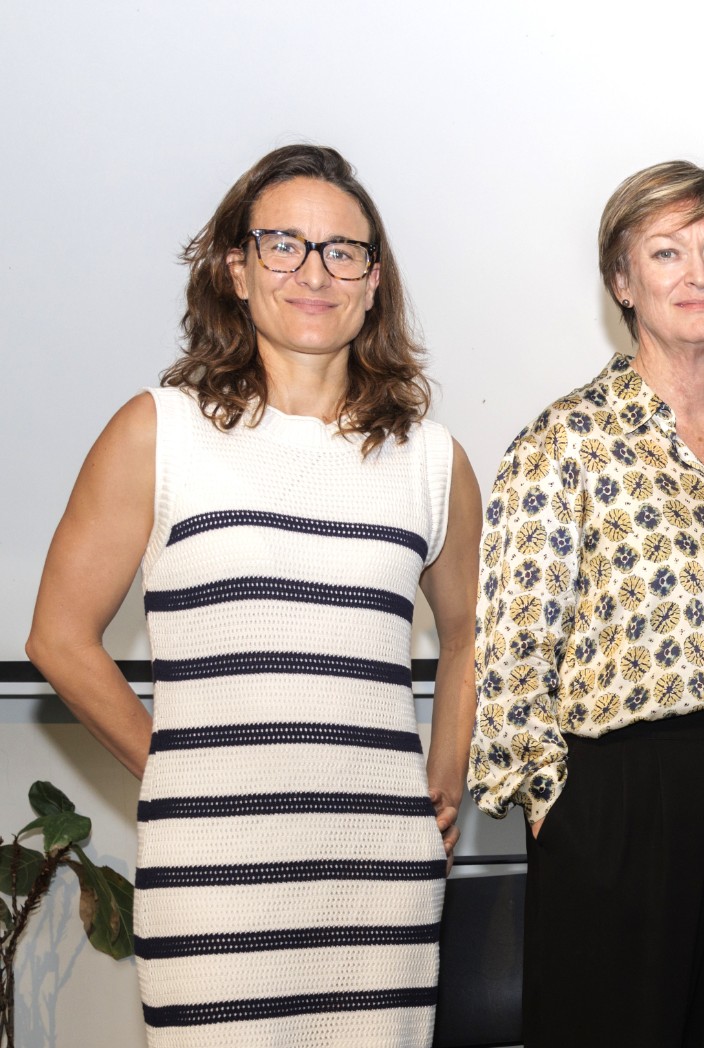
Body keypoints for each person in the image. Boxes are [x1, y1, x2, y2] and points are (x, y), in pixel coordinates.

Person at [26, 144, 480, 1045]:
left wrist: (444, 773)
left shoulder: (433, 461)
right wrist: (176, 769)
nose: (314, 272)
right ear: (235, 270)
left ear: (374, 280)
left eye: (342, 251)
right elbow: (57, 639)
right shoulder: (159, 431)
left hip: (377, 877)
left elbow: (470, 631)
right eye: (283, 244)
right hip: (213, 873)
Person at [468, 160, 704, 1047]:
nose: (698, 275)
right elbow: (514, 653)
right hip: (617, 810)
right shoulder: (567, 442)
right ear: (622, 283)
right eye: (667, 253)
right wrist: (559, 806)